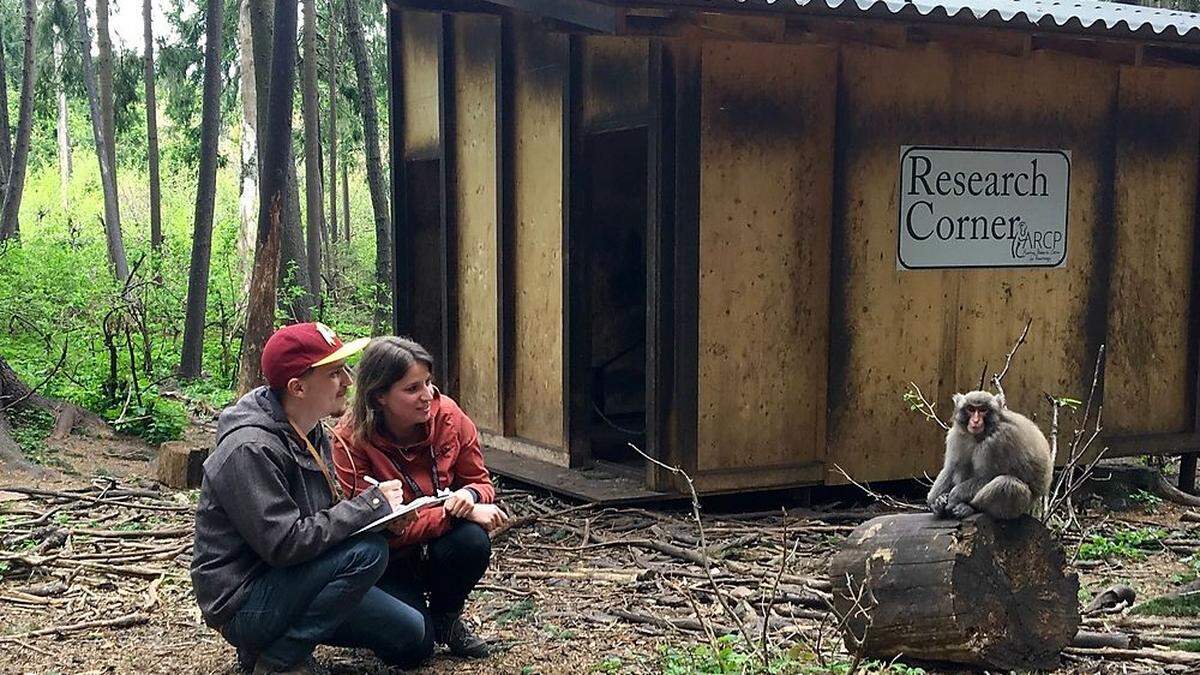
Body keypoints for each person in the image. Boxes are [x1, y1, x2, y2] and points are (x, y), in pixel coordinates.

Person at [191, 323, 429, 674]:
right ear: (297, 387)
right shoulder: (250, 448)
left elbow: (324, 520)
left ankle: (272, 647)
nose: (348, 381)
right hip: (245, 603)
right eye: (335, 373)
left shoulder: (312, 428)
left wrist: (383, 521)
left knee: (412, 637)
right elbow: (285, 544)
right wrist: (368, 507)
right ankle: (279, 660)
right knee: (368, 554)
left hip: (295, 582)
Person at [330, 336, 508, 661]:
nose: (427, 396)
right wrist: (453, 514)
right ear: (379, 395)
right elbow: (376, 529)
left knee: (472, 542)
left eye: (428, 382)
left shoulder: (449, 416)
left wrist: (468, 496)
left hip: (437, 546)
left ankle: (447, 617)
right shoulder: (350, 439)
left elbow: (480, 483)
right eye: (412, 389)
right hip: (387, 558)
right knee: (413, 652)